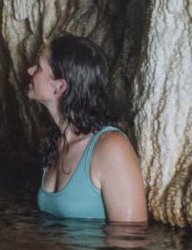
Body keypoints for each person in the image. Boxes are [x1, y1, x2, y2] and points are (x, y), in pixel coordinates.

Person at [27, 32, 147, 223]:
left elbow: (130, 237)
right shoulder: (56, 142)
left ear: (59, 87)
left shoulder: (111, 148)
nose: (30, 70)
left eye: (39, 67)